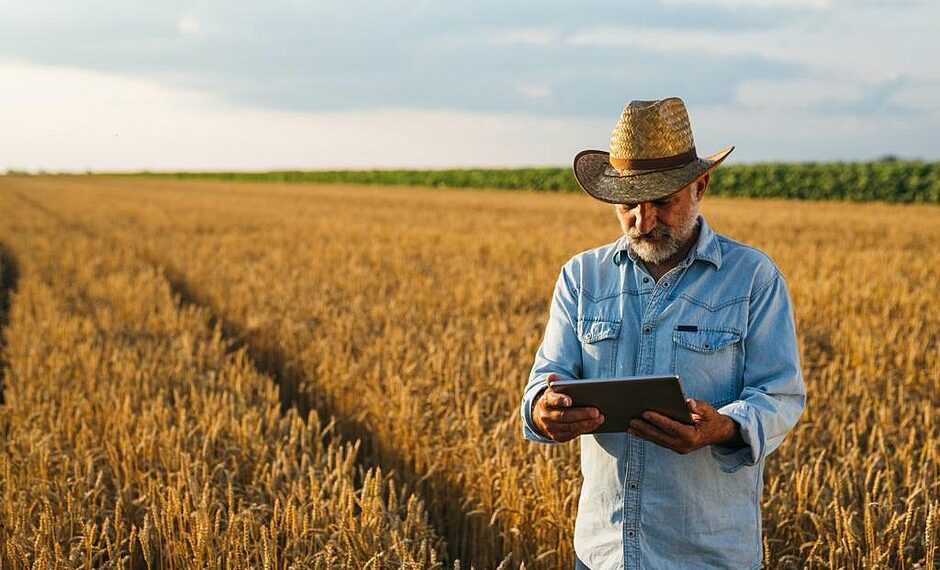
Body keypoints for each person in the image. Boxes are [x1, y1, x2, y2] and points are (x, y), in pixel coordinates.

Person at [520, 97, 805, 569]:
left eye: (662, 203)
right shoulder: (581, 277)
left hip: (709, 555)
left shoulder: (753, 277)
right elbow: (544, 380)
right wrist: (541, 410)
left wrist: (725, 427)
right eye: (629, 204)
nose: (643, 221)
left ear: (701, 186)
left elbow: (781, 396)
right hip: (604, 555)